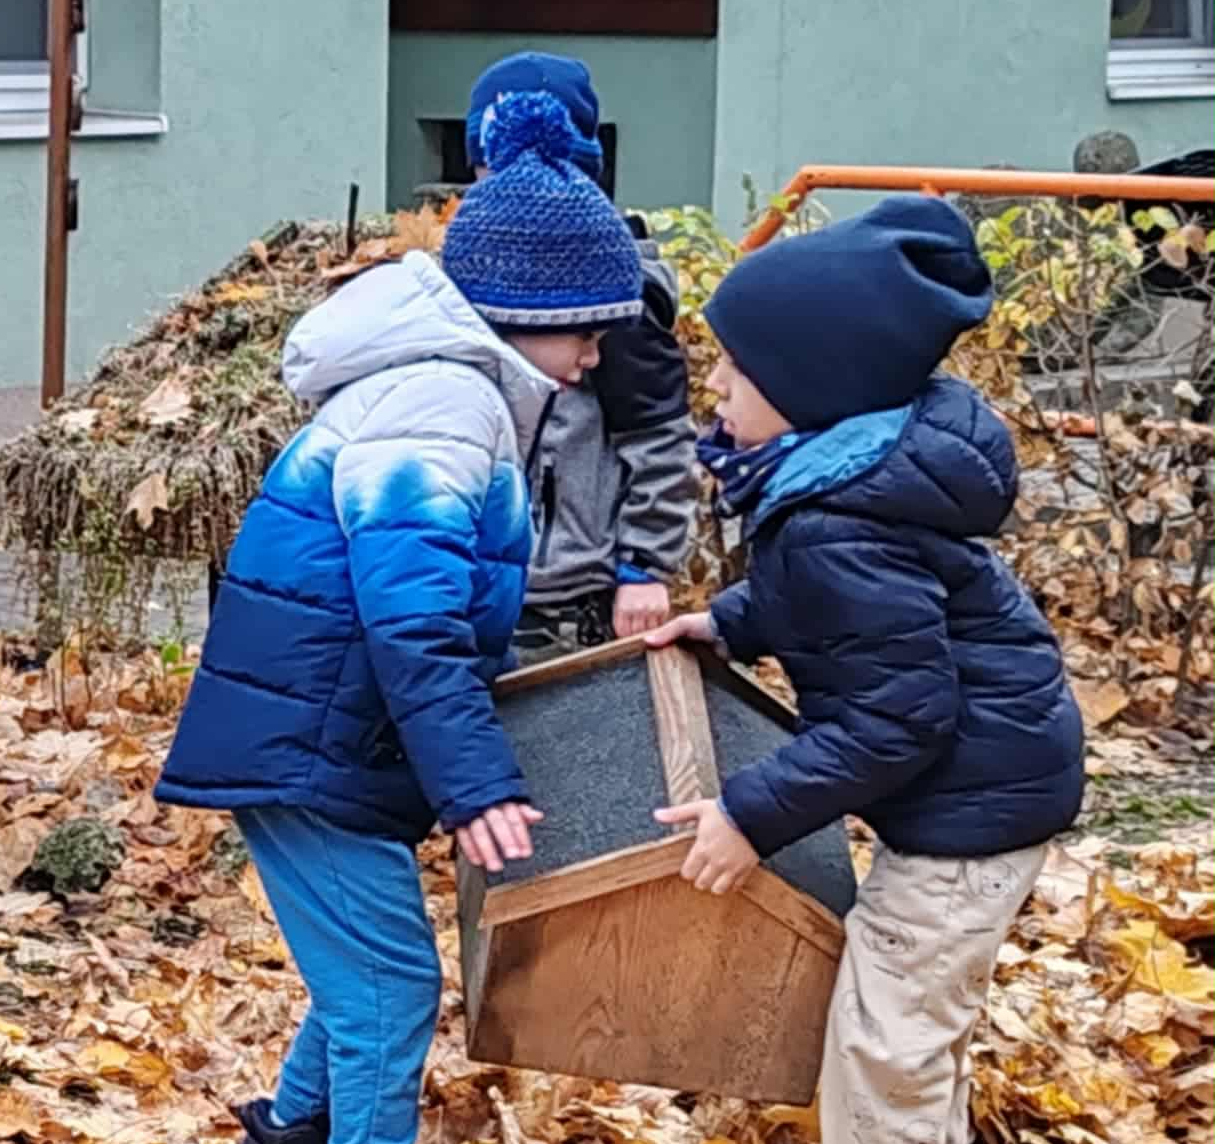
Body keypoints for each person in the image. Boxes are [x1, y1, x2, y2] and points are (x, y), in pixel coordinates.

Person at [153, 92, 646, 1144]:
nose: (597, 357)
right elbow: (411, 615)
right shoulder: (443, 403)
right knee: (388, 987)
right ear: (532, 313)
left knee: (360, 969)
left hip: (326, 730)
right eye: (591, 331)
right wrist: (471, 784)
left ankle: (291, 1124)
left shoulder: (459, 396)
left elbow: (454, 609)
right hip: (309, 740)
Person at [646, 196, 1085, 1144]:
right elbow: (831, 609)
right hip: (983, 784)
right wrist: (727, 620)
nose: (714, 381)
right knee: (916, 1033)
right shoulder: (847, 482)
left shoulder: (838, 519)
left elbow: (899, 718)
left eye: (737, 365)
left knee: (881, 1050)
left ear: (811, 388)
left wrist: (746, 815)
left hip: (967, 814)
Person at [465, 52, 698, 660]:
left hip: (567, 593)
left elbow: (661, 436)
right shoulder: (481, 274)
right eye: (490, 169)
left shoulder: (610, 302)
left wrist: (646, 565)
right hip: (491, 584)